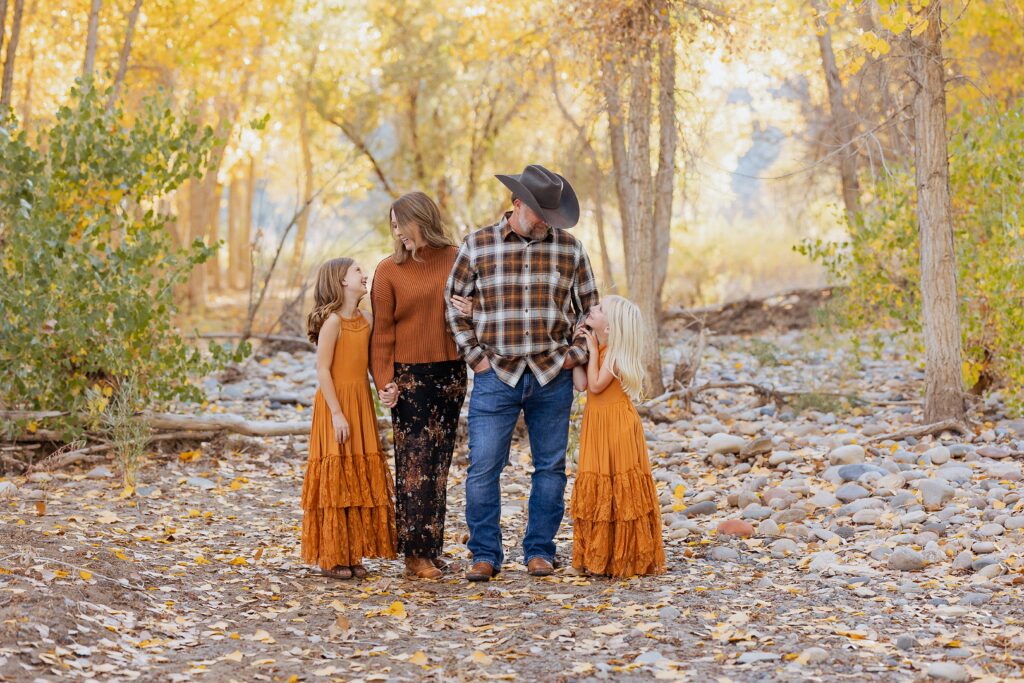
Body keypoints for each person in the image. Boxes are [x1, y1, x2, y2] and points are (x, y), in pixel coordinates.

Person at [445, 164, 599, 582]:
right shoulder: (477, 245)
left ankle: (539, 551)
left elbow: (591, 309)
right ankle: (484, 554)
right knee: (483, 468)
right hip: (497, 373)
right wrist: (476, 358)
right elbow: (453, 306)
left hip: (553, 374)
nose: (546, 222)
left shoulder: (570, 249)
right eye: (539, 213)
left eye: (551, 215)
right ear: (516, 204)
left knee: (550, 468)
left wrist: (576, 353)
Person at [370, 192, 471, 580]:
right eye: (392, 226)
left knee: (439, 462)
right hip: (410, 376)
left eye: (401, 224)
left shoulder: (456, 258)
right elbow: (381, 334)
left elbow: (476, 303)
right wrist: (384, 381)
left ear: (421, 220)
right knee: (414, 464)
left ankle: (431, 547)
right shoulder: (388, 271)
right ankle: (414, 555)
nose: (397, 232)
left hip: (450, 373)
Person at [301, 257, 397, 579]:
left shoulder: (367, 320)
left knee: (357, 474)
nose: (364, 274)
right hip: (336, 405)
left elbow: (374, 364)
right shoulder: (332, 322)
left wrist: (386, 388)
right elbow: (322, 370)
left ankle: (352, 551)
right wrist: (337, 414)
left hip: (361, 403)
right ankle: (333, 556)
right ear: (342, 281)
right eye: (357, 270)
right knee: (337, 475)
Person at [571, 296, 666, 577]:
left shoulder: (614, 351)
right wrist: (578, 353)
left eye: (599, 310)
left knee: (619, 483)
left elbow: (598, 386)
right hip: (597, 424)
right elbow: (582, 385)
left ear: (611, 328)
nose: (593, 309)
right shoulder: (600, 349)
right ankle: (602, 556)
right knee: (599, 481)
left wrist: (590, 348)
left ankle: (626, 558)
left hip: (616, 425)